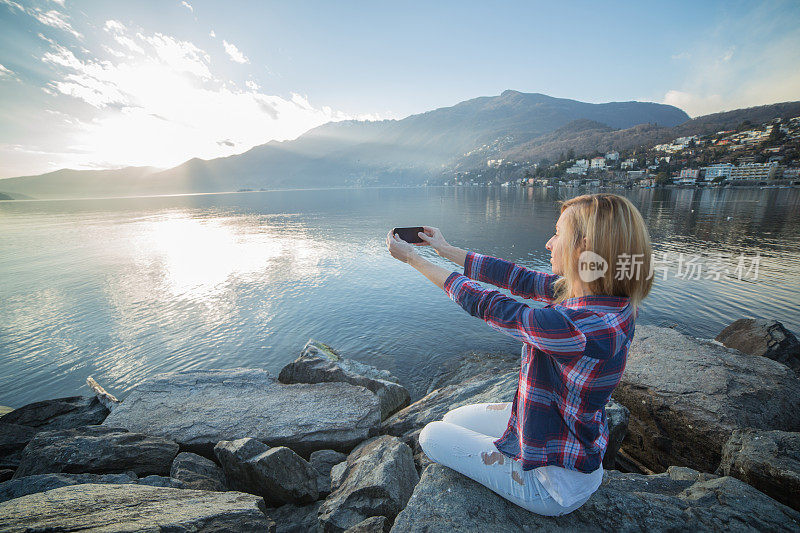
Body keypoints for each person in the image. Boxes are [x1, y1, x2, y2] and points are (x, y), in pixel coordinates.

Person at [385, 193, 653, 516]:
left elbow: (491, 305)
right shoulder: (604, 298)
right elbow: (518, 278)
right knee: (454, 419)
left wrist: (415, 259)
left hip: (553, 481)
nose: (549, 243)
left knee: (431, 435)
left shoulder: (579, 330)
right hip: (559, 430)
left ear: (584, 247)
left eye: (558, 234)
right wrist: (444, 248)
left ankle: (526, 476)